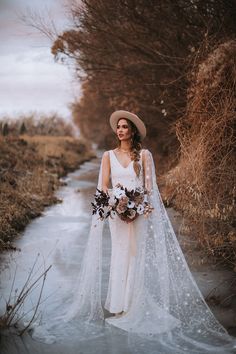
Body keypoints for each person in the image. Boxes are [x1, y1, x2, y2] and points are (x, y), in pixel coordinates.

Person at [65, 110, 236, 353]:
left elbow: (148, 189)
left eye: (125, 127)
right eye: (119, 127)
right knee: (120, 255)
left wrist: (137, 206)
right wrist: (117, 201)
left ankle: (134, 304)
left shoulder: (144, 155)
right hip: (116, 214)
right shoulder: (107, 156)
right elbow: (103, 186)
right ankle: (118, 304)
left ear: (133, 131)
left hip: (138, 214)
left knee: (136, 257)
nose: (120, 130)